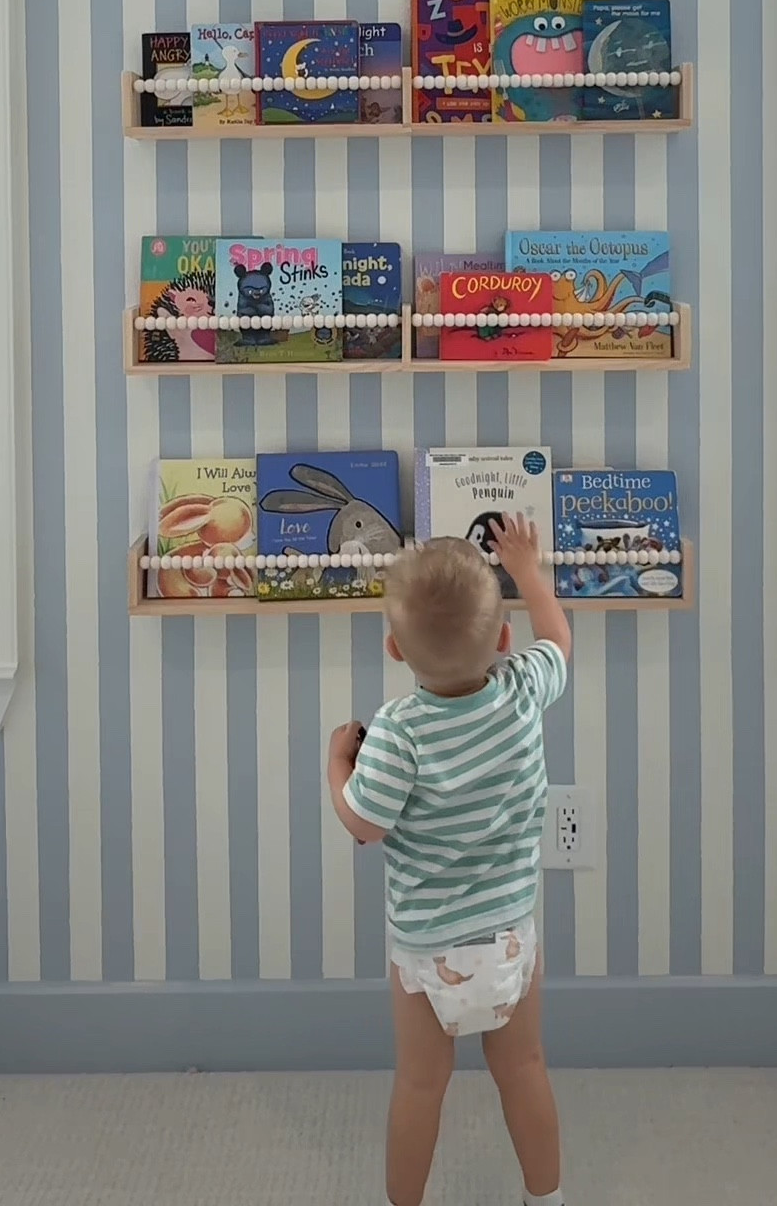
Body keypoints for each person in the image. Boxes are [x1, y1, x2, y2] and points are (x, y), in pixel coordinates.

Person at [327, 511, 571, 1206]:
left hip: (426, 951)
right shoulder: (523, 690)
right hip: (510, 937)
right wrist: (527, 570)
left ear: (395, 651)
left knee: (420, 1084)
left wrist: (336, 766)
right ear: (501, 638)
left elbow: (364, 825)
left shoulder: (399, 731)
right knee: (524, 1067)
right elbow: (557, 639)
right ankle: (546, 1198)